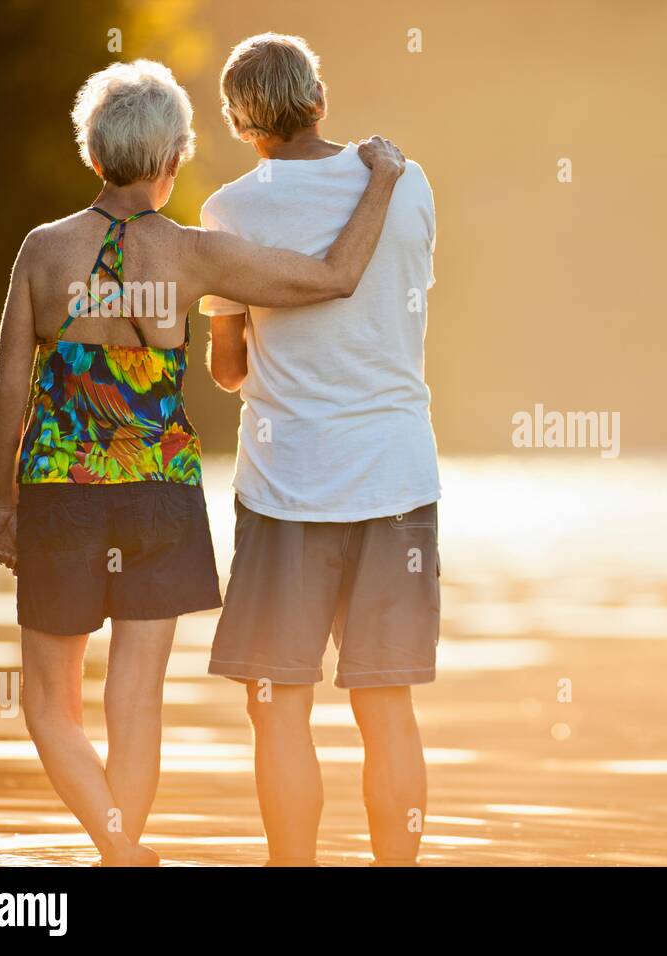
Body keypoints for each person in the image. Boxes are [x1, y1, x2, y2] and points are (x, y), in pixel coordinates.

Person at [0, 58, 406, 866]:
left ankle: (115, 851)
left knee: (48, 707)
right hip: (163, 500)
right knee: (135, 700)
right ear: (174, 159)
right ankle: (124, 853)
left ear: (93, 153)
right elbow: (335, 277)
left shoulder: (42, 252)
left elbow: (8, 386)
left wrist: (6, 506)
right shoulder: (195, 256)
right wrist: (381, 181)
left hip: (59, 496)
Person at [200, 33, 440, 867]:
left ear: (241, 121)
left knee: (278, 707)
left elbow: (228, 368)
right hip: (398, 478)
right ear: (319, 100)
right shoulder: (408, 185)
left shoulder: (231, 211)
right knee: (389, 707)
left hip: (286, 489)